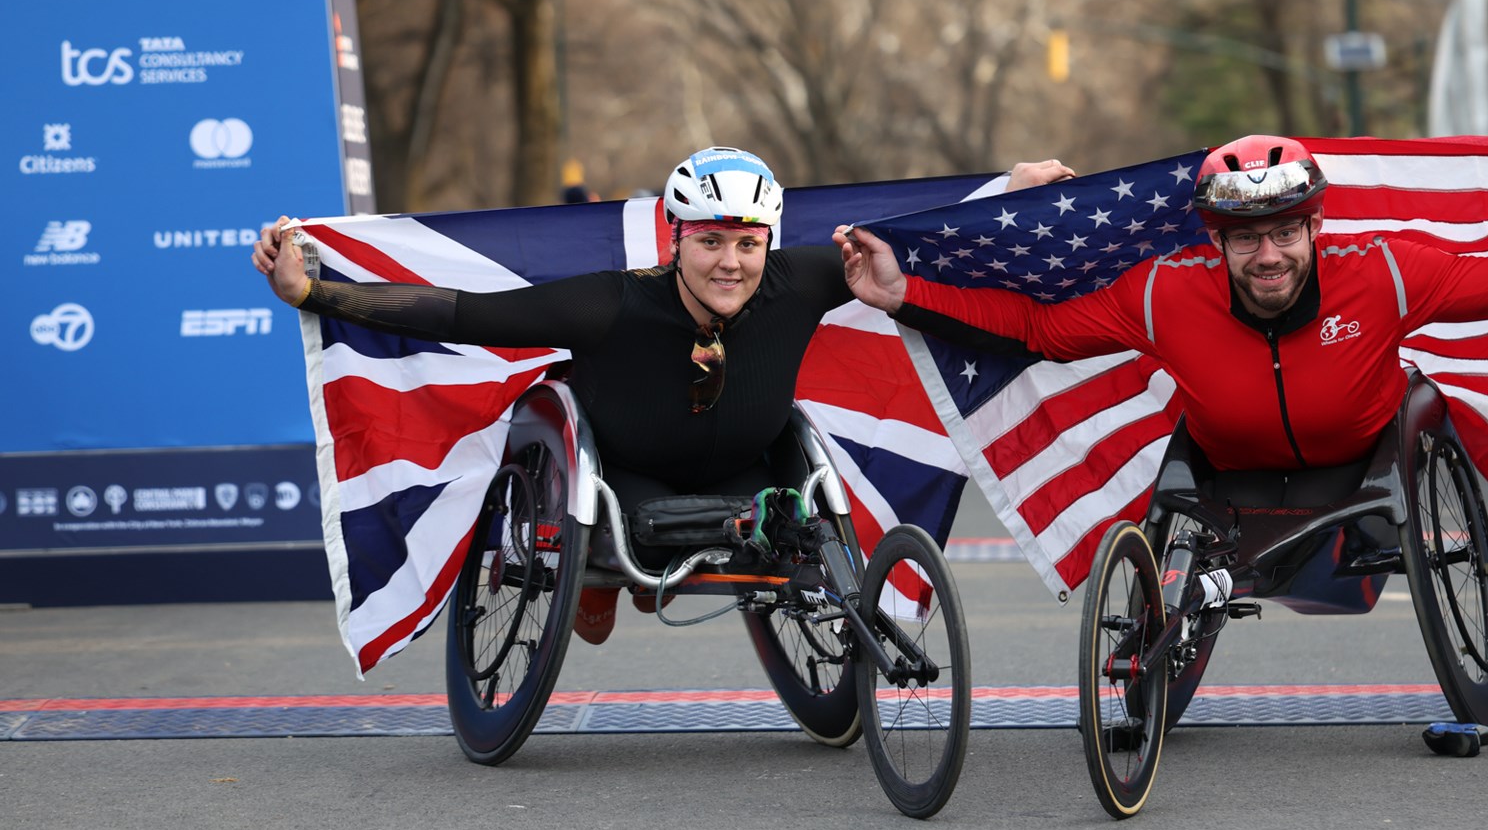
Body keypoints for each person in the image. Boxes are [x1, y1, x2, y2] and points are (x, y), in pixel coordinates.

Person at [255, 147, 1076, 643]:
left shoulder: (802, 280)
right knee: (639, 547)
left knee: (787, 523)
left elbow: (915, 235)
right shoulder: (608, 303)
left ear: (769, 242)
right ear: (677, 239)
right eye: (710, 242)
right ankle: (599, 579)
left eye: (746, 244)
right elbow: (464, 312)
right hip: (629, 478)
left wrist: (1011, 189)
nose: (730, 263)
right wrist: (315, 292)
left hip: (751, 465)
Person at [835, 134, 1488, 481]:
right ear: (1214, 239)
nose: (1269, 256)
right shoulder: (1164, 291)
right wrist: (906, 296)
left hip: (1362, 456)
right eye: (1246, 238)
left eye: (1287, 231)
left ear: (1316, 225)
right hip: (1225, 466)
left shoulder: (1384, 273)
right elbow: (1036, 331)